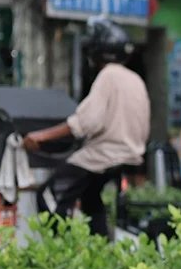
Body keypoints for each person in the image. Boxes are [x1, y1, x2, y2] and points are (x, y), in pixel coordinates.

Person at [23, 18, 151, 236]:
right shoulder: (134, 79)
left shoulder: (108, 75)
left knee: (48, 195)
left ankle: (59, 250)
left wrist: (41, 136)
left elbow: (87, 121)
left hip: (104, 155)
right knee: (91, 197)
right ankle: (100, 248)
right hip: (129, 155)